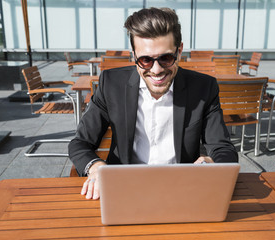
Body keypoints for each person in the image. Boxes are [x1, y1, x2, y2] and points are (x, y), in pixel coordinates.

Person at [68, 7, 238, 200]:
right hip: (123, 189)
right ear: (134, 56)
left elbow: (224, 149)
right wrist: (95, 167)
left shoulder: (203, 88)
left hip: (183, 191)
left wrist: (213, 162)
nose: (156, 70)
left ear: (179, 51)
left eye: (166, 58)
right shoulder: (111, 84)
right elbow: (80, 143)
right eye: (146, 60)